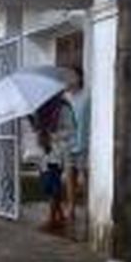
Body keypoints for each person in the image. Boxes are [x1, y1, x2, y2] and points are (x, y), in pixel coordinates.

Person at [31, 93, 76, 230]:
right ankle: (60, 214)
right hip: (44, 153)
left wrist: (51, 135)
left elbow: (71, 130)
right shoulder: (40, 109)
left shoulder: (63, 108)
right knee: (47, 184)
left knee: (53, 184)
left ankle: (52, 219)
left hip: (57, 152)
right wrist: (37, 129)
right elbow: (38, 128)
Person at [65, 67, 90, 223]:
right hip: (68, 143)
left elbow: (90, 121)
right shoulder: (66, 98)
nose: (69, 80)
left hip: (83, 143)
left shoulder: (87, 97)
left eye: (72, 77)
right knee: (69, 177)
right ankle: (71, 208)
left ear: (80, 78)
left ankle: (88, 207)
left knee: (85, 176)